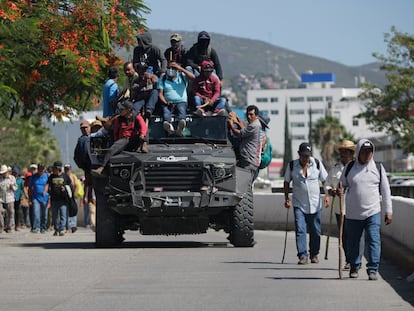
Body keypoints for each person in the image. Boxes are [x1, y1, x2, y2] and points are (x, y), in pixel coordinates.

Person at [339, 139, 392, 281]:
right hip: (353, 213)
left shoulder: (378, 168)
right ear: (358, 153)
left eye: (369, 152)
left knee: (374, 239)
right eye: (364, 152)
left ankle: (373, 268)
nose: (367, 155)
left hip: (373, 211)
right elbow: (342, 185)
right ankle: (355, 266)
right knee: (353, 241)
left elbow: (385, 191)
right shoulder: (349, 168)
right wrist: (337, 191)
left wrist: (388, 211)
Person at [284, 142, 329, 265]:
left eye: (307, 156)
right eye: (303, 155)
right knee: (300, 229)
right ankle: (303, 255)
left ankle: (314, 254)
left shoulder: (317, 164)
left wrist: (327, 195)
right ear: (299, 154)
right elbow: (287, 182)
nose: (305, 158)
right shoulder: (292, 165)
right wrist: (287, 198)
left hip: (315, 204)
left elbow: (325, 180)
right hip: (299, 204)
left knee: (315, 231)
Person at [325, 139, 359, 270]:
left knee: (353, 235)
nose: (343, 154)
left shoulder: (357, 168)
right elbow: (327, 184)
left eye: (346, 152)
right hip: (340, 208)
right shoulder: (334, 169)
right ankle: (349, 260)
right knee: (343, 235)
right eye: (341, 152)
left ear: (351, 153)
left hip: (354, 208)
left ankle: (355, 259)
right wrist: (331, 191)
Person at [92, 100, 148, 175]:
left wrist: (142, 135)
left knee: (144, 131)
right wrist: (117, 143)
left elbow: (143, 126)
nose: (120, 110)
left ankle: (144, 144)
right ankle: (102, 168)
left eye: (122, 109)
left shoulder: (136, 117)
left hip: (135, 139)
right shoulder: (118, 119)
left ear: (128, 110)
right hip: (124, 140)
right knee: (111, 150)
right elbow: (116, 132)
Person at [158, 61, 195, 136]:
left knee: (181, 111)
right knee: (166, 112)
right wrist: (165, 102)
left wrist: (180, 68)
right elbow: (160, 94)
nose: (171, 70)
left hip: (181, 101)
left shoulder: (182, 76)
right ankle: (169, 127)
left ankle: (180, 127)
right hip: (168, 102)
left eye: (173, 68)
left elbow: (193, 77)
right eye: (169, 68)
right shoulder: (163, 78)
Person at [227, 105, 262, 184]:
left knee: (245, 187)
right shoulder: (255, 125)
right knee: (246, 186)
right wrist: (237, 119)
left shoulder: (254, 125)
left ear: (256, 115)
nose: (249, 117)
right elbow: (243, 128)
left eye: (251, 114)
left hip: (249, 161)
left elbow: (239, 133)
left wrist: (231, 124)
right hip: (251, 161)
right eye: (247, 115)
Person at [44, 161, 72, 236]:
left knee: (63, 215)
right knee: (55, 216)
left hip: (63, 200)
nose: (53, 170)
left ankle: (62, 229)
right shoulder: (51, 176)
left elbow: (70, 185)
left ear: (58, 169)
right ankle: (56, 229)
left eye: (54, 169)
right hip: (54, 200)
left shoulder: (65, 176)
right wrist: (45, 191)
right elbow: (47, 184)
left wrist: (65, 189)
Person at [27, 163, 49, 233]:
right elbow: (30, 188)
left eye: (42, 169)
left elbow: (48, 184)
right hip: (35, 198)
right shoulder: (33, 177)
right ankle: (36, 227)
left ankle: (43, 227)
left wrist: (45, 191)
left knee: (44, 214)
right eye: (40, 169)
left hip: (44, 197)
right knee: (36, 213)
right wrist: (29, 198)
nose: (41, 171)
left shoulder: (47, 176)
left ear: (44, 169)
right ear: (38, 169)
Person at [0, 164, 17, 233]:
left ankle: (9, 226)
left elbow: (16, 188)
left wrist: (12, 187)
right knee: (0, 212)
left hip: (10, 197)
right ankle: (1, 227)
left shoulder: (12, 178)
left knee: (11, 212)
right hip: (1, 198)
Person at [64, 164, 79, 233]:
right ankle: (68, 226)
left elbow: (76, 185)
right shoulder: (63, 176)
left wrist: (75, 195)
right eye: (66, 169)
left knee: (73, 210)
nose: (67, 170)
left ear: (70, 169)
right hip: (65, 197)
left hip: (72, 197)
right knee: (66, 212)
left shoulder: (73, 176)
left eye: (68, 169)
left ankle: (73, 226)